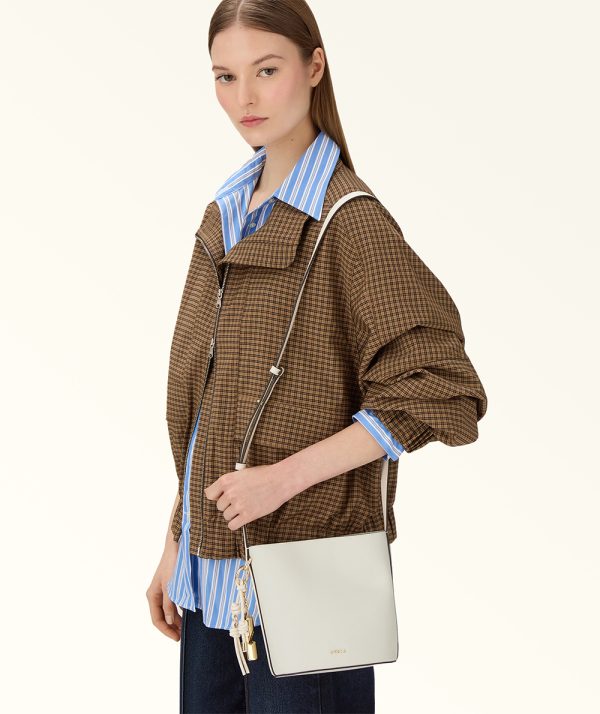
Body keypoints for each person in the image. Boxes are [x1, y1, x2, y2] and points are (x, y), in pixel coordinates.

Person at [146, 1, 488, 712]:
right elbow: (214, 400)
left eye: (266, 70)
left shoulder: (347, 220)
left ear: (314, 66)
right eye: (225, 76)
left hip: (307, 581)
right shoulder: (226, 215)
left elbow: (439, 387)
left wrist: (280, 481)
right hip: (209, 582)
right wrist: (178, 536)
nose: (244, 97)